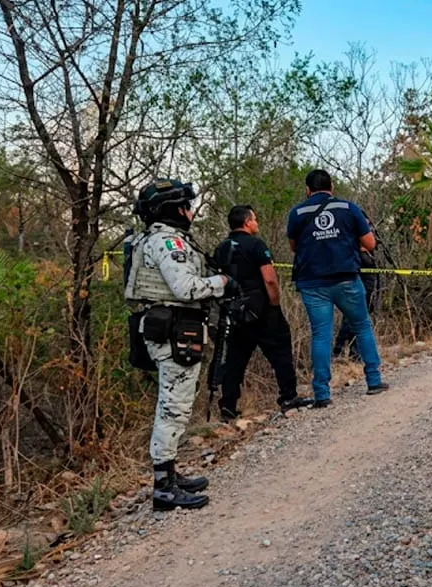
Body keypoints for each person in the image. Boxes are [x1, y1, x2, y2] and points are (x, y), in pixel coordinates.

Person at [125, 177, 234, 511]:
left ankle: (169, 476)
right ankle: (164, 488)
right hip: (173, 331)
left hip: (172, 328)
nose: (189, 211)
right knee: (173, 408)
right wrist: (221, 282)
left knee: (173, 406)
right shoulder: (166, 242)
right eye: (185, 205)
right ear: (173, 209)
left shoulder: (152, 238)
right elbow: (185, 288)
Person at [286, 169, 389, 407]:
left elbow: (294, 247)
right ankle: (374, 381)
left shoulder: (297, 213)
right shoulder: (348, 208)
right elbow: (370, 244)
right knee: (362, 326)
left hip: (312, 283)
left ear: (307, 190)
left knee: (321, 334)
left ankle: (322, 394)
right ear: (331, 186)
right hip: (346, 279)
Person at [213, 205, 312, 419]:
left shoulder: (221, 248)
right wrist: (275, 304)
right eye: (255, 219)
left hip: (236, 312)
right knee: (280, 351)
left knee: (235, 359)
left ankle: (228, 406)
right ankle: (288, 397)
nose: (257, 223)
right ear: (247, 222)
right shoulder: (256, 245)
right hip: (262, 309)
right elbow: (269, 278)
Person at [333, 237, 380, 361]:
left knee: (354, 321)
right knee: (351, 321)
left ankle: (347, 350)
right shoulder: (356, 254)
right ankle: (344, 350)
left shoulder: (369, 254)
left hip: (369, 290)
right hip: (358, 291)